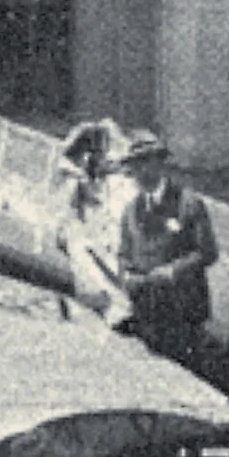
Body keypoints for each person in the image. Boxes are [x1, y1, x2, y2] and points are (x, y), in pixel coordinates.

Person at [115, 129, 218, 366]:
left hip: (182, 307)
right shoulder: (131, 210)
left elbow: (207, 252)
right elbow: (124, 253)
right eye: (134, 165)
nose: (138, 172)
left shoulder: (188, 203)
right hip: (146, 309)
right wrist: (126, 274)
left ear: (160, 164)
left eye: (144, 163)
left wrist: (173, 270)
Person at [53, 118, 138, 327]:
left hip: (116, 246)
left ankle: (118, 304)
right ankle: (113, 304)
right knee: (78, 243)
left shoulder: (124, 187)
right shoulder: (85, 183)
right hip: (95, 239)